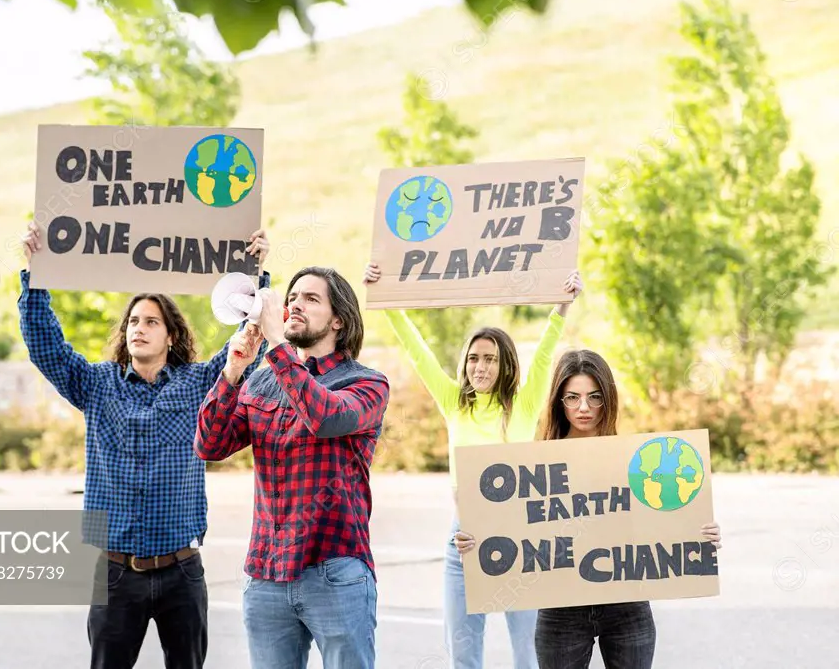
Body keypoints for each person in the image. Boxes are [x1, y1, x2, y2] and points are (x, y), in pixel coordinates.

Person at [19, 219, 272, 669]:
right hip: (114, 572)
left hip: (182, 571)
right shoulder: (95, 384)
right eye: (134, 320)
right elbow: (47, 348)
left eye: (151, 321)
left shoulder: (198, 384)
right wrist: (34, 274)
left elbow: (247, 348)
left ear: (170, 334)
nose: (139, 327)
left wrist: (255, 278)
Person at [363, 261, 582, 669]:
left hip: (521, 542)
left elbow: (546, 349)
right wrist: (386, 296)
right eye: (474, 359)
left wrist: (563, 305)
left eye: (491, 359)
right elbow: (417, 351)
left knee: (528, 653)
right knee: (463, 656)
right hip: (462, 542)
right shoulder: (455, 404)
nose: (480, 367)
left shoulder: (524, 404)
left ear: (505, 366)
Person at [452, 348, 723, 669]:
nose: (584, 408)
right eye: (572, 398)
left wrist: (699, 533)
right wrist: (475, 540)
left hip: (627, 605)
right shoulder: (531, 464)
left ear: (608, 398)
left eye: (595, 397)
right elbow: (509, 527)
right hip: (561, 611)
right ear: (558, 401)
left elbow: (661, 519)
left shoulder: (634, 460)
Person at [194, 266, 389, 669]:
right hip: (266, 572)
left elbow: (325, 417)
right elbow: (210, 446)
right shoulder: (260, 382)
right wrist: (232, 371)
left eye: (311, 299)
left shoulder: (366, 383)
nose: (295, 305)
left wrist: (278, 345)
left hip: (335, 570)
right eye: (293, 298)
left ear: (339, 320)